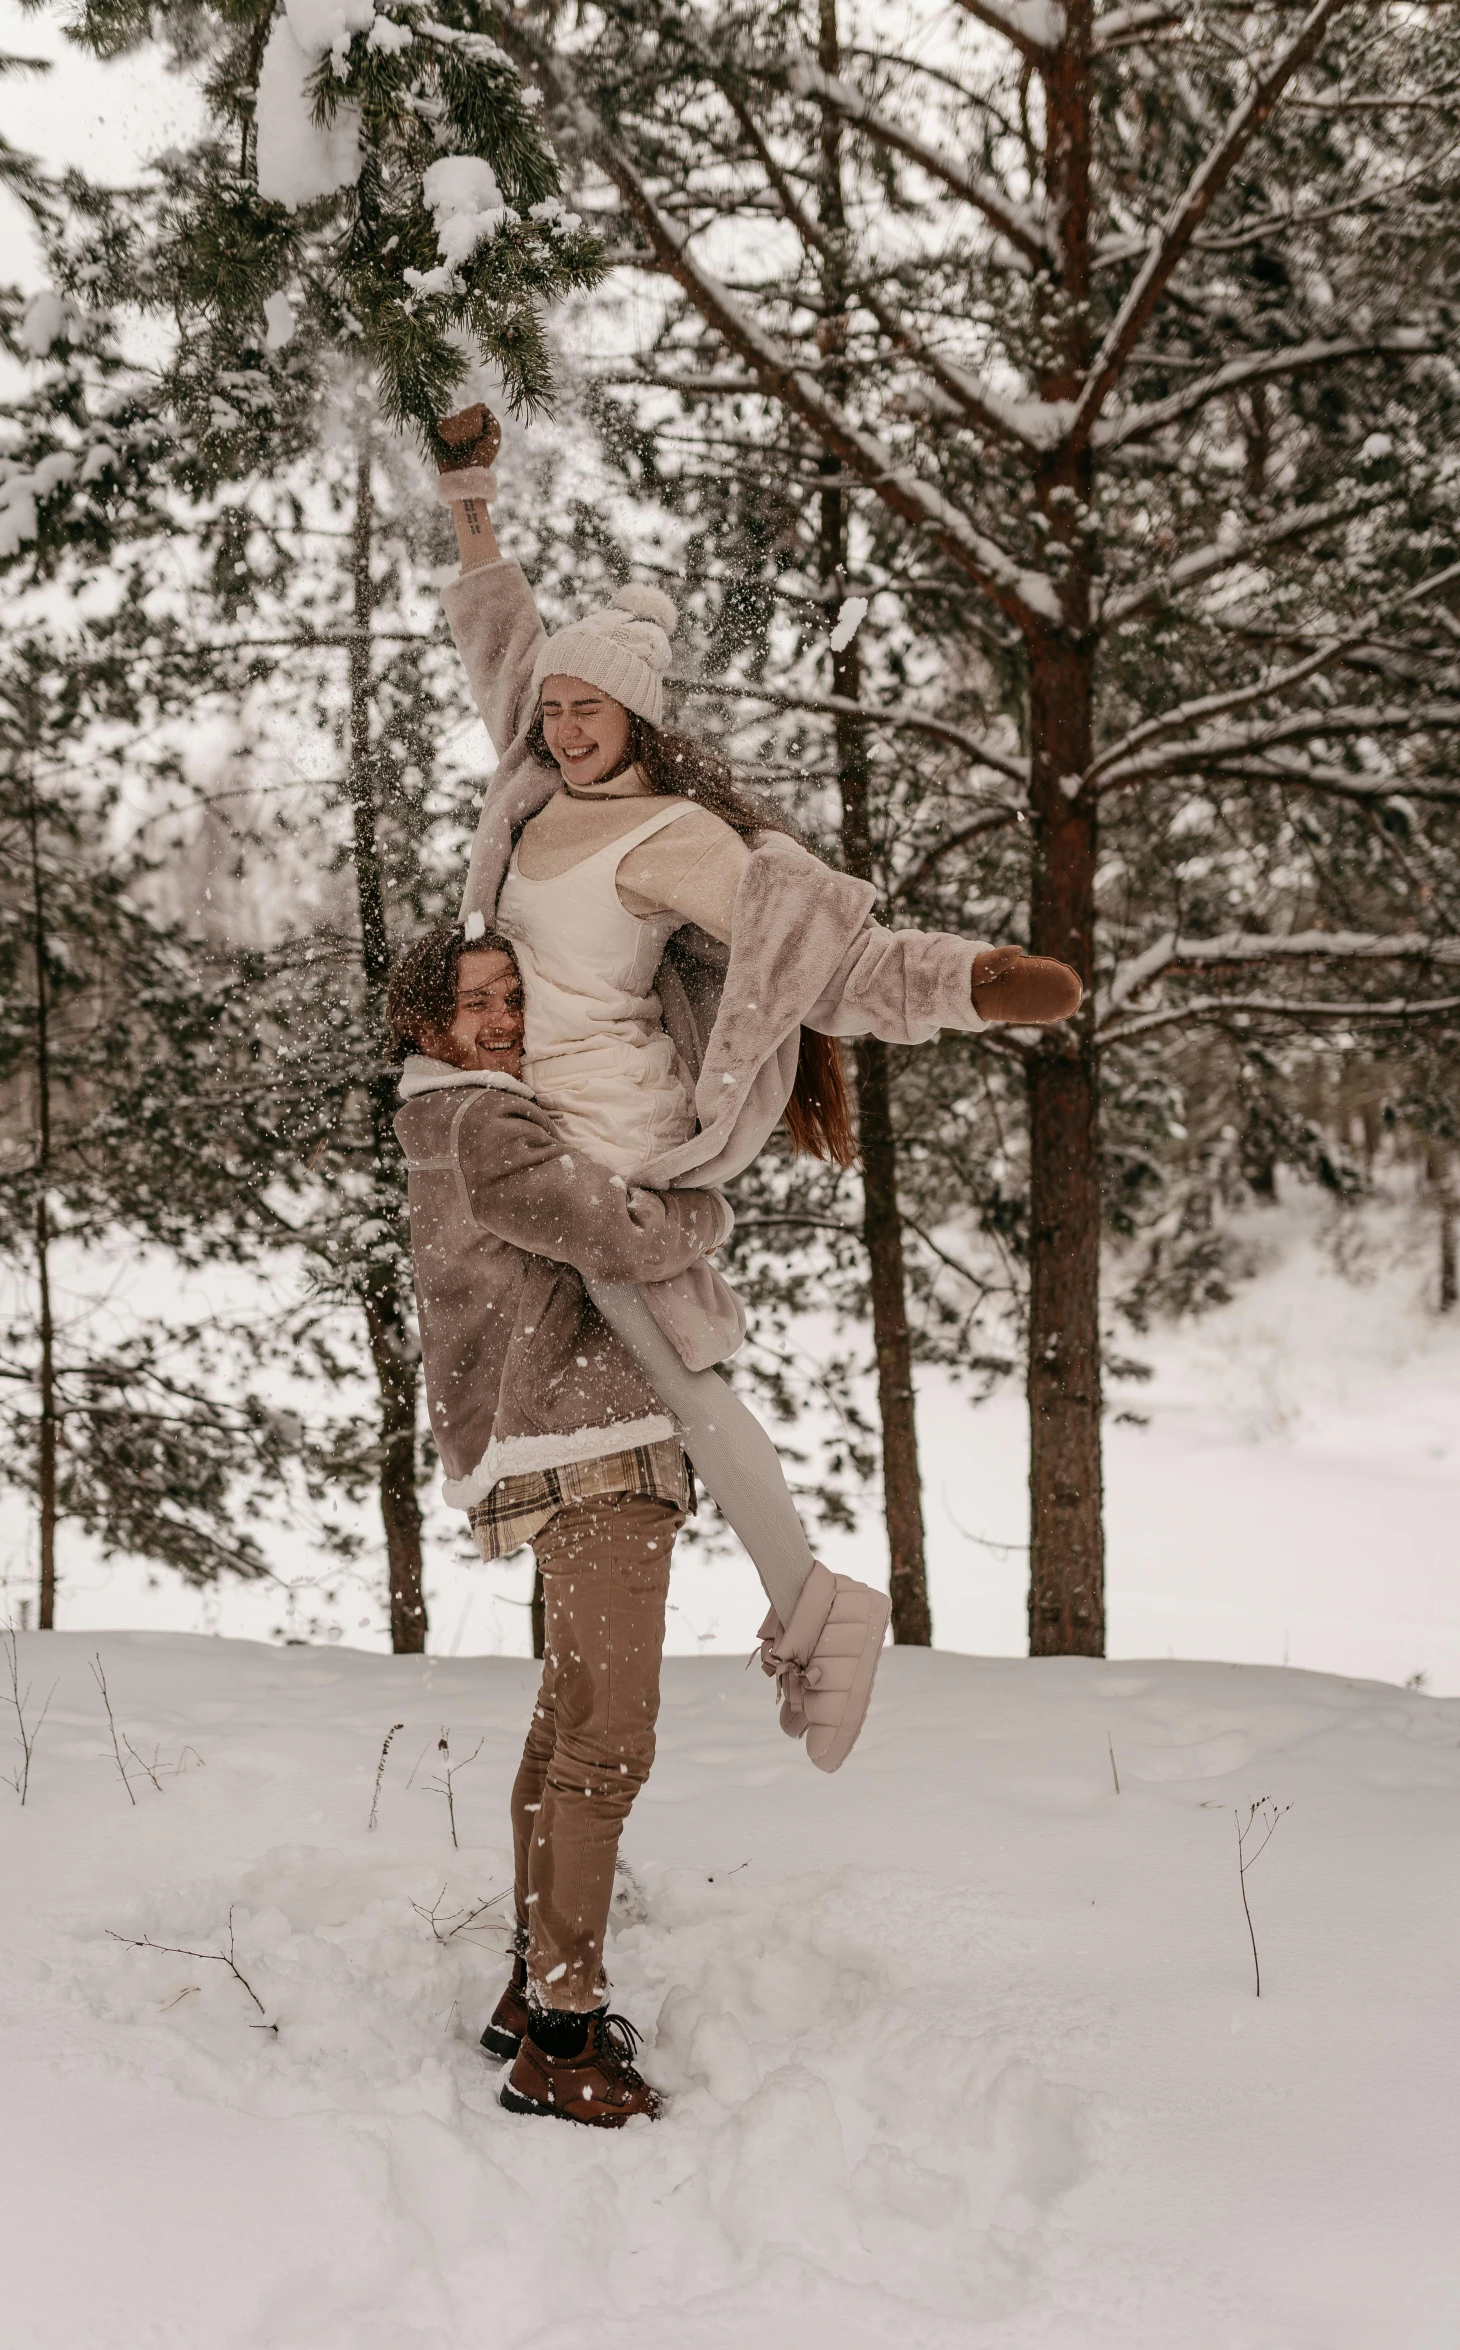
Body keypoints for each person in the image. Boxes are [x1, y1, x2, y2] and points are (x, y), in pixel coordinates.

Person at [426, 399, 1082, 1718]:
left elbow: (815, 953)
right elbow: (498, 641)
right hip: (518, 1118)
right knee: (610, 1379)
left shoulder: (671, 834)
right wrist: (471, 502)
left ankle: (811, 1612)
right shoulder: (531, 787)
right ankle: (740, 1626)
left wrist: (968, 982)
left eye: (586, 708)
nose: (560, 724)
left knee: (672, 1370)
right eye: (552, 706)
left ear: (635, 716)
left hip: (600, 1135)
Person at [388, 923, 887, 2124]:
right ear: (426, 1024)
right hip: (586, 1443)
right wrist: (703, 1213)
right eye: (474, 1002)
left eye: (513, 991)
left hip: (556, 1440)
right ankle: (560, 2034)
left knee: (566, 1726)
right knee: (607, 1746)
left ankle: (529, 1986)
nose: (502, 1016)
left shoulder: (451, 1113)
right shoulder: (486, 1121)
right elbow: (615, 1228)